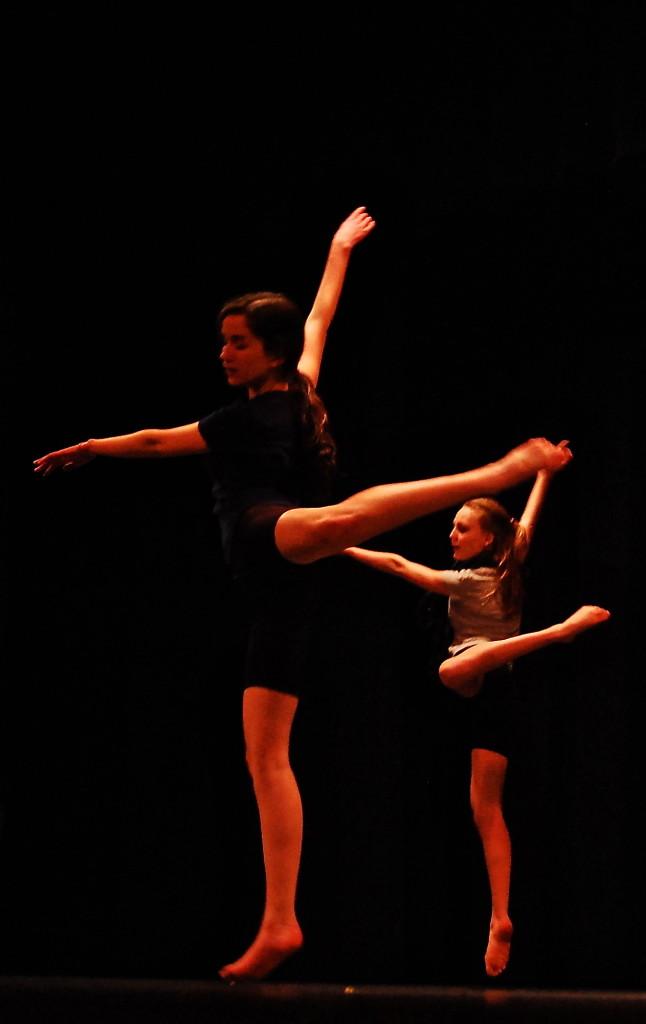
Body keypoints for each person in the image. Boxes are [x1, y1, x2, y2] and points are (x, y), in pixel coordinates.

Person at [33, 204, 573, 983]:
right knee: (264, 756)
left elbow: (156, 441)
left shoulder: (240, 420)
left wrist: (93, 448)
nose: (223, 353)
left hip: (268, 534)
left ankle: (491, 475)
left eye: (237, 343)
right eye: (223, 341)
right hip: (280, 597)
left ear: (268, 353)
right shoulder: (303, 387)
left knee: (335, 522)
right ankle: (280, 921)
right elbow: (321, 314)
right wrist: (337, 250)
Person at [343, 461, 610, 977]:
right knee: (484, 807)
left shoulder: (467, 582)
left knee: (450, 669)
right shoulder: (513, 558)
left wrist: (342, 542)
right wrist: (545, 474)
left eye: (462, 527)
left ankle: (555, 633)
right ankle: (500, 916)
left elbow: (400, 566)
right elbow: (527, 520)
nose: (452, 533)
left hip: (476, 678)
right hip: (499, 688)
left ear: (488, 539)